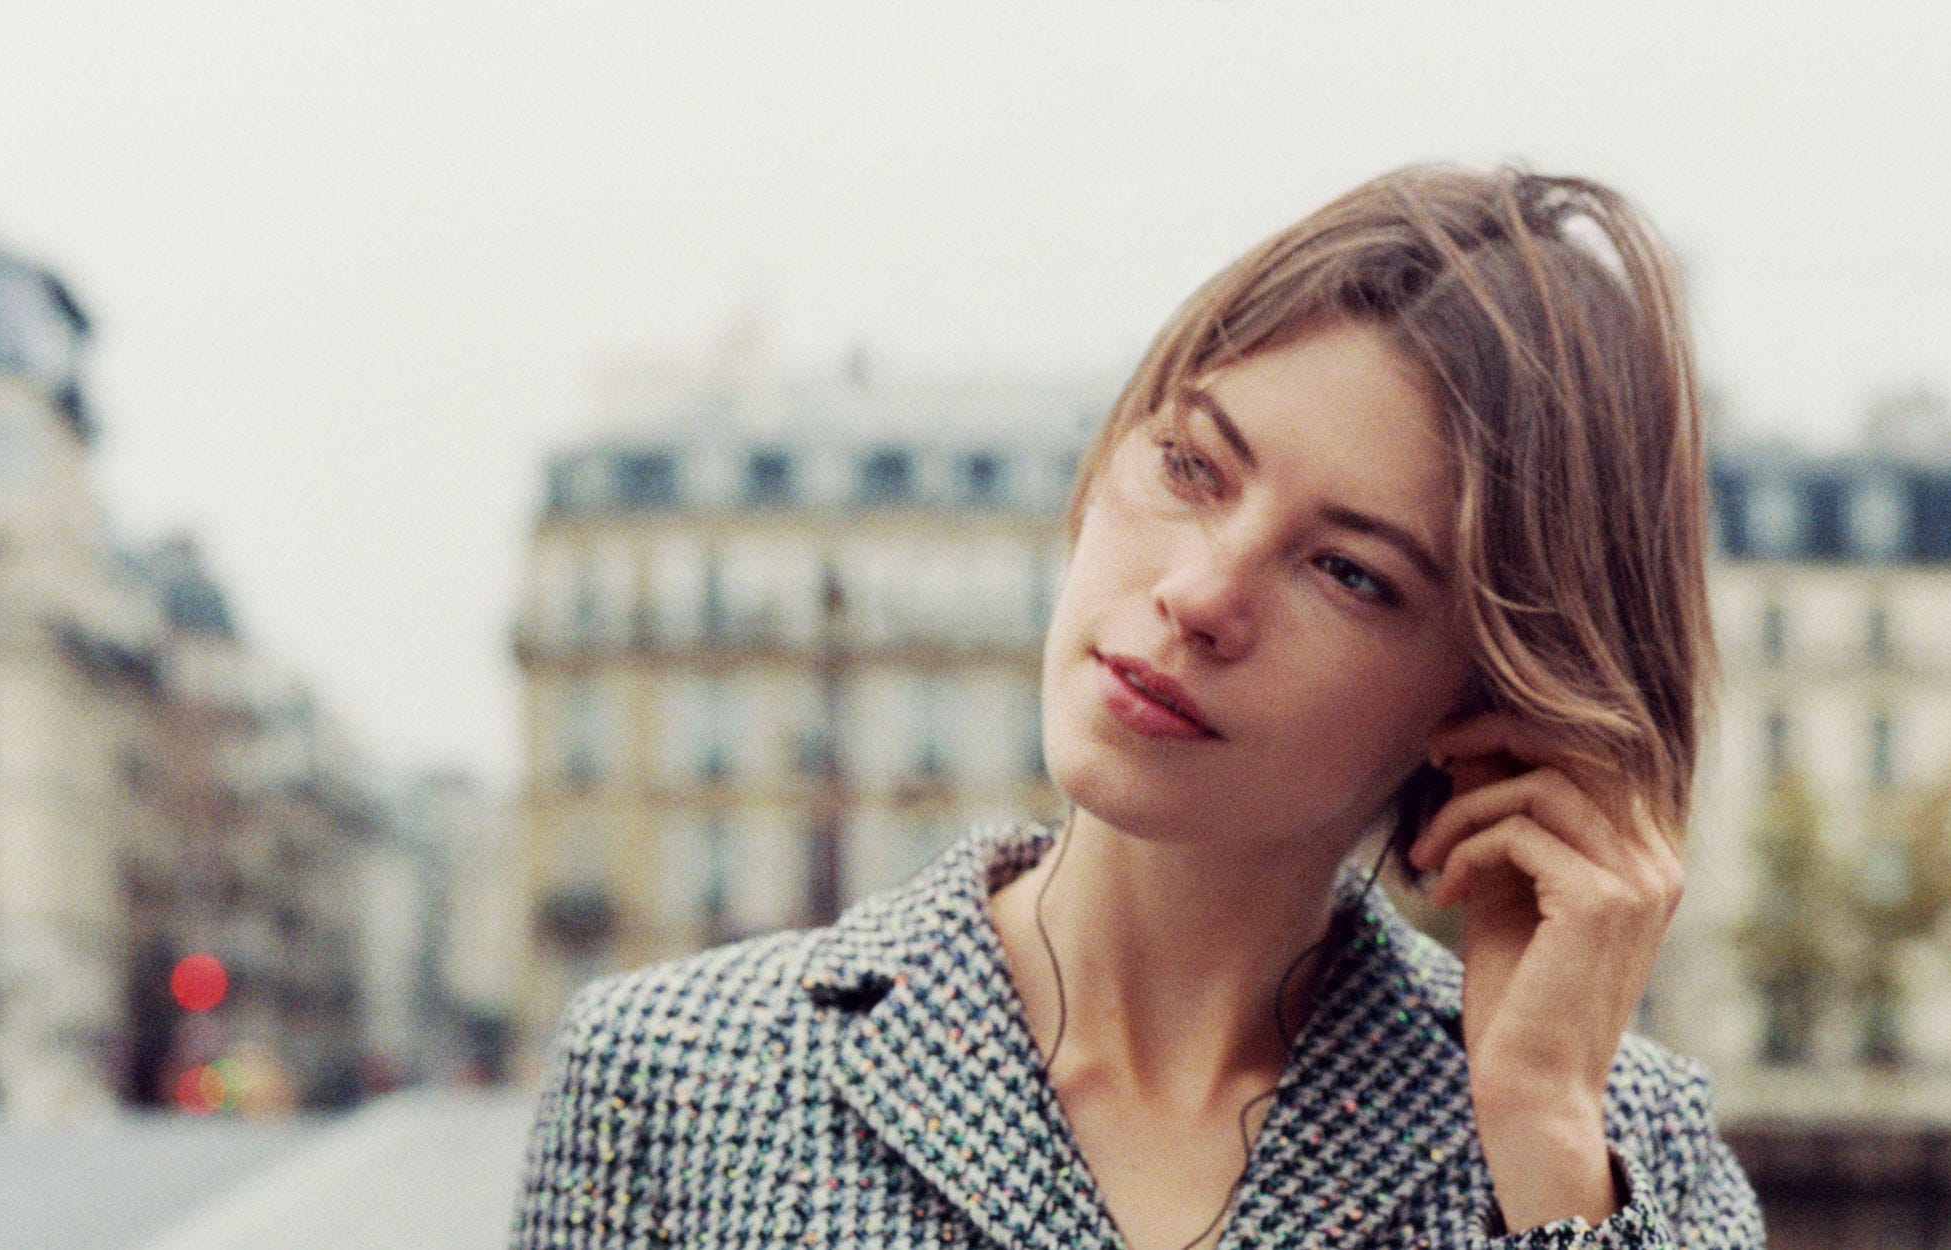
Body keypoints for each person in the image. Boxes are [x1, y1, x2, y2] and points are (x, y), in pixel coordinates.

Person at [513, 165, 1763, 1250]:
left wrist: (1541, 1138)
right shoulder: (668, 1076)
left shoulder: (1623, 1148)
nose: (1199, 593)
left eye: (1348, 570)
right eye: (1190, 464)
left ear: (1491, 692)